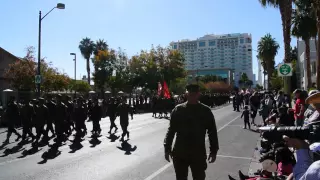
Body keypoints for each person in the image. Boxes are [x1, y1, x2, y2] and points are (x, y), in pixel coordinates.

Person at [164, 83, 219, 180]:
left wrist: (213, 151)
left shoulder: (205, 111)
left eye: (194, 94)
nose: (192, 96)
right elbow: (171, 130)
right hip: (180, 153)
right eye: (190, 94)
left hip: (198, 153)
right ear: (186, 95)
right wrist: (167, 148)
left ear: (198, 94)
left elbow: (212, 132)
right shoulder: (178, 110)